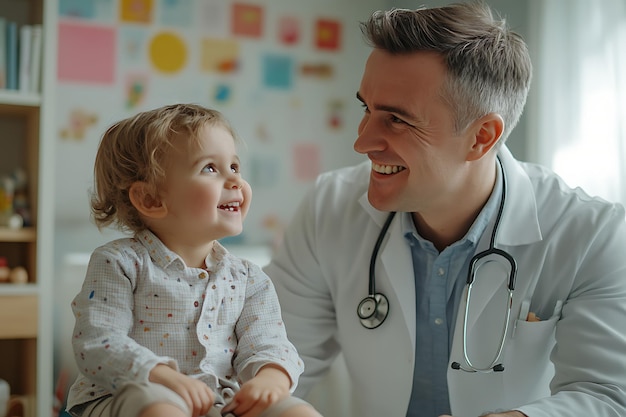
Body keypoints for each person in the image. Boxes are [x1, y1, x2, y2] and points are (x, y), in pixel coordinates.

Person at [264, 2, 626, 417]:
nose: (362, 142)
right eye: (367, 109)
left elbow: (606, 396)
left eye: (397, 120)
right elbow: (272, 362)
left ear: (481, 137)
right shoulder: (328, 208)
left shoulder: (591, 233)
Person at [66, 103, 323, 417]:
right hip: (126, 395)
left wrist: (270, 379)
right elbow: (97, 342)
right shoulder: (119, 263)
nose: (234, 182)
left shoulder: (249, 279)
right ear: (150, 199)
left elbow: (269, 342)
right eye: (210, 169)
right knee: (160, 409)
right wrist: (164, 377)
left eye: (235, 167)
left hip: (218, 400)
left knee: (298, 412)